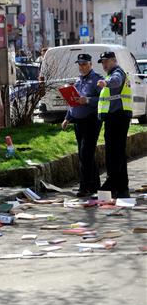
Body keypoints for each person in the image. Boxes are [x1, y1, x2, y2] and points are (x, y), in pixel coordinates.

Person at [61, 53, 103, 197]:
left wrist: (88, 100)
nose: (82, 67)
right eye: (80, 64)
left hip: (92, 120)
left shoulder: (97, 80)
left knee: (85, 154)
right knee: (85, 154)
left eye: (84, 64)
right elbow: (72, 101)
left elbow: (104, 99)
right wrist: (67, 118)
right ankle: (95, 185)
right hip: (78, 121)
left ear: (91, 64)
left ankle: (84, 187)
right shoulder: (78, 81)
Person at [96, 51, 133, 198]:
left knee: (116, 153)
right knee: (113, 153)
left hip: (119, 117)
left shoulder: (117, 73)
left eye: (106, 61)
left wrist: (106, 82)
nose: (104, 65)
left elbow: (116, 81)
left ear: (113, 60)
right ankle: (116, 185)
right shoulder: (111, 74)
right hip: (114, 118)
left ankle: (120, 186)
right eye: (102, 62)